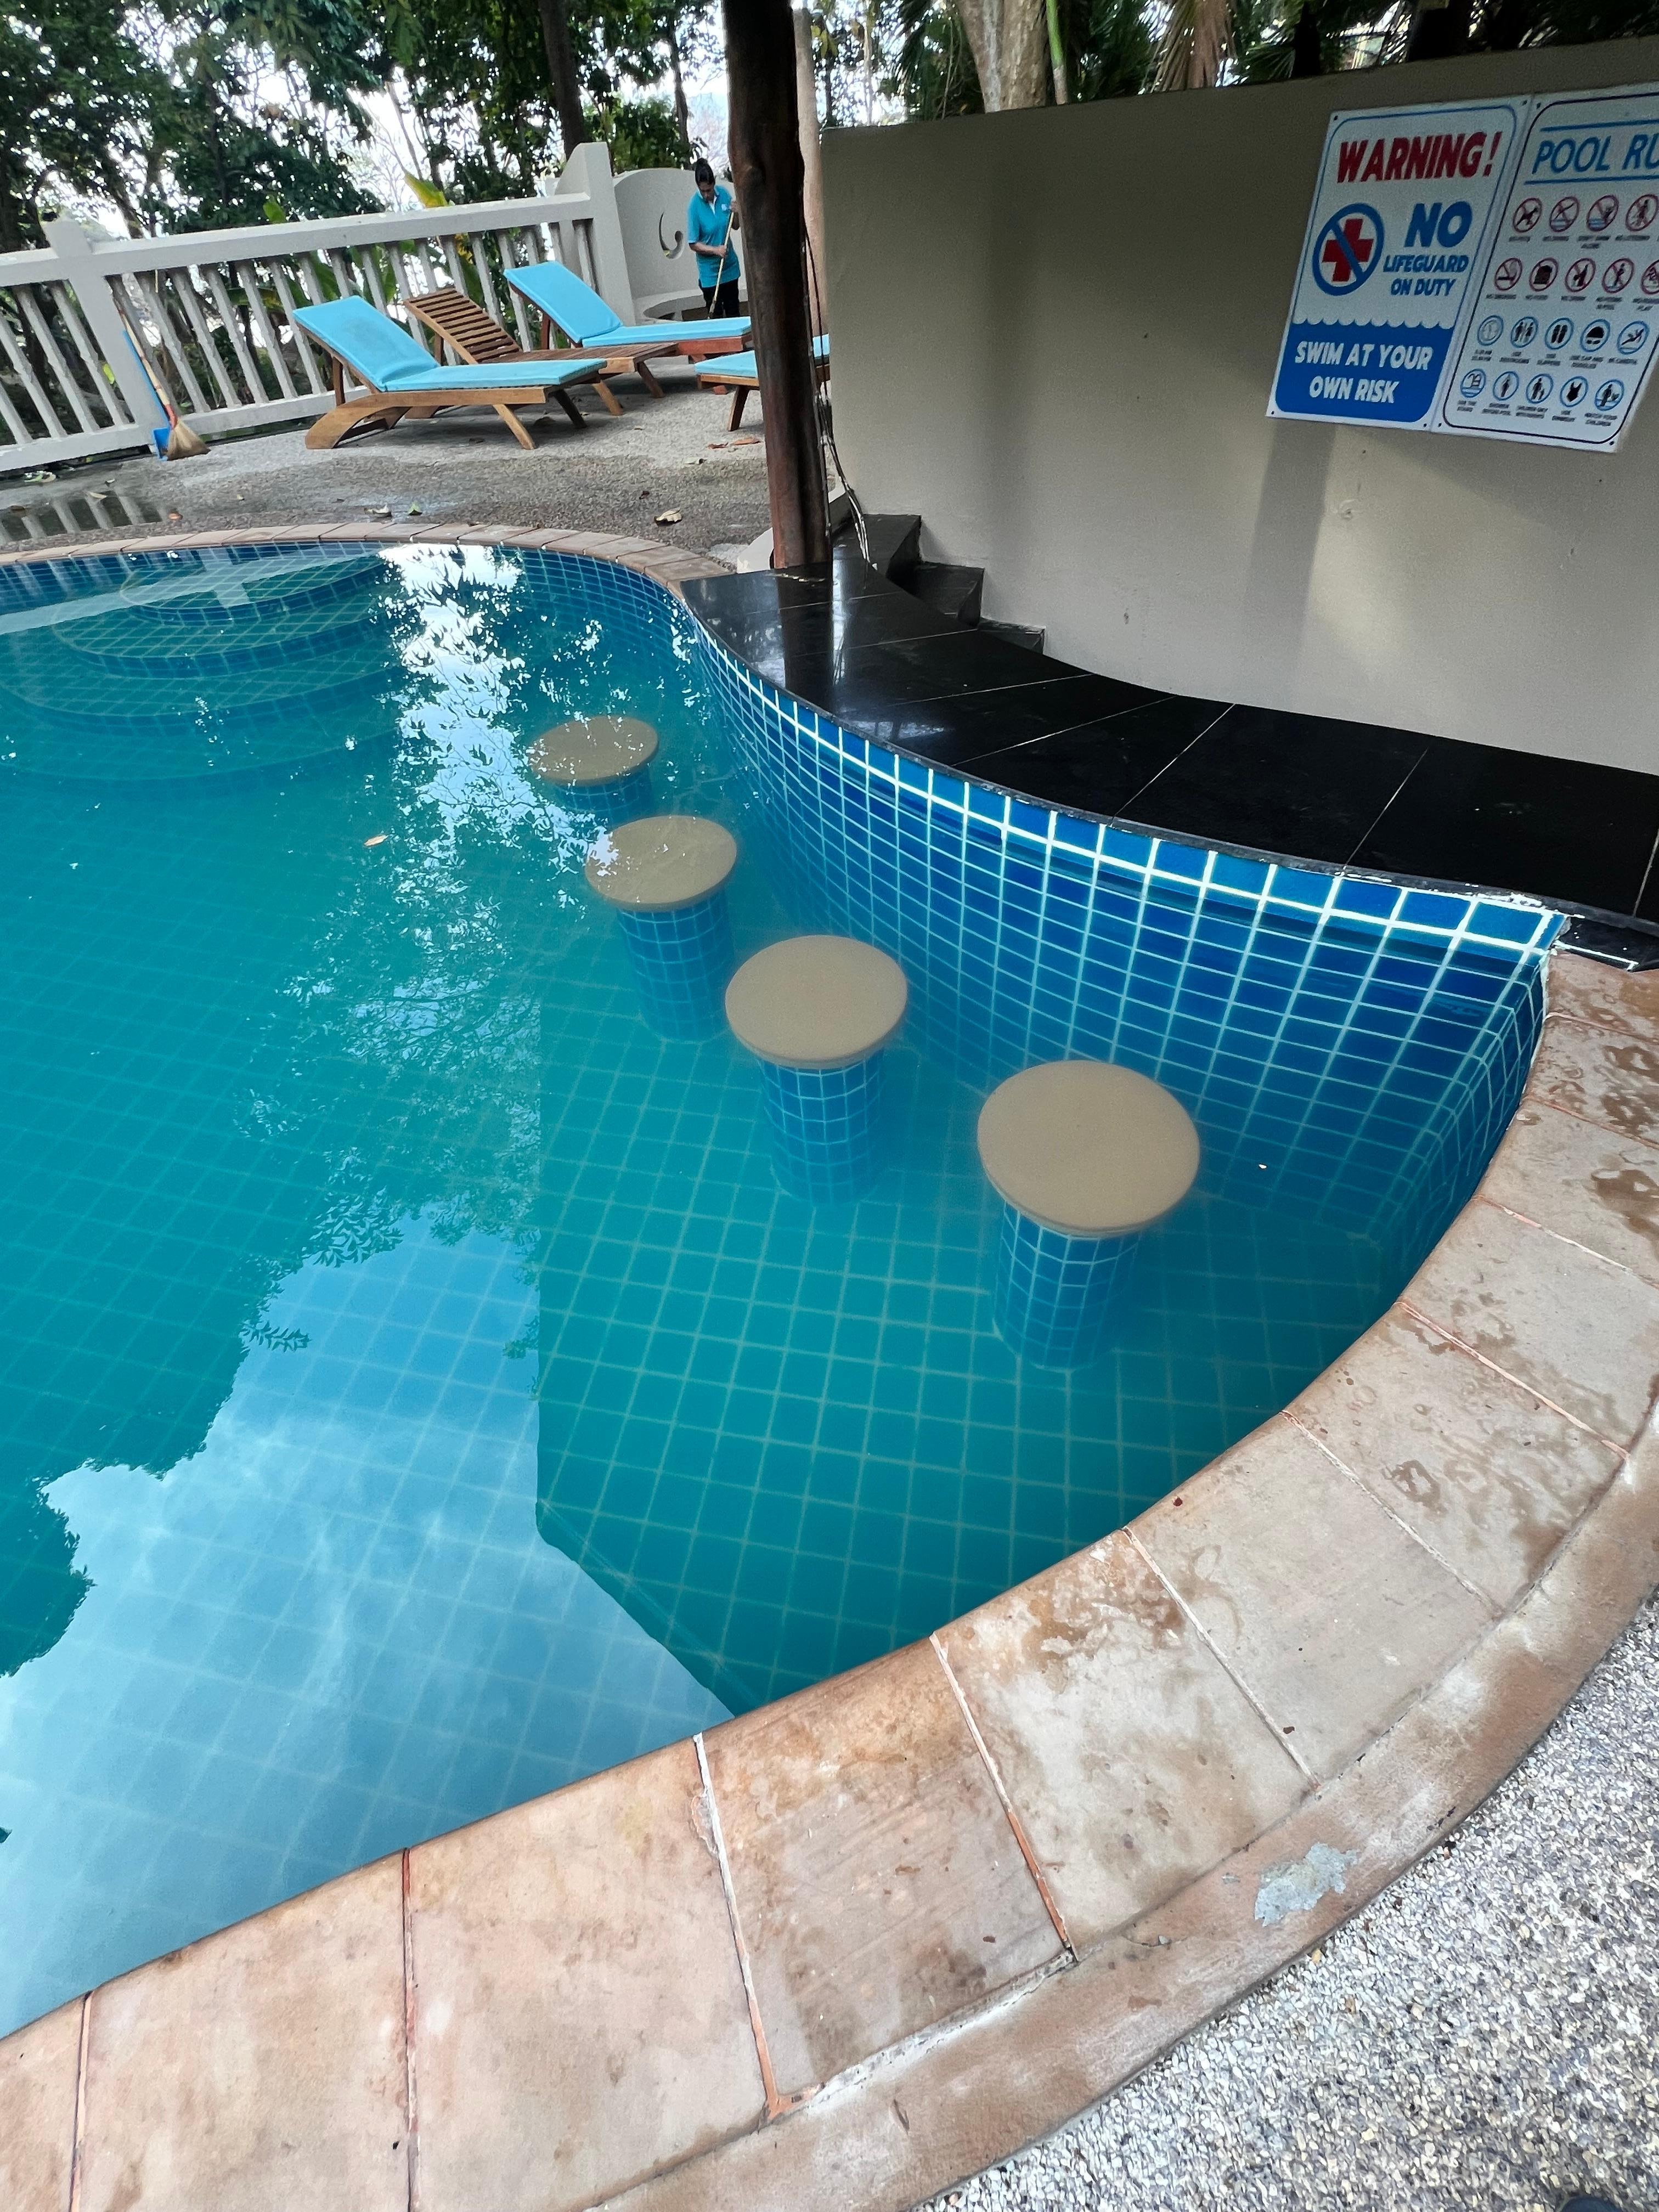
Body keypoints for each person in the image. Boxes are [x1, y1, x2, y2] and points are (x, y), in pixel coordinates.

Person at [686, 159, 741, 319]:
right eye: (702, 191)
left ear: (714, 184)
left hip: (730, 268)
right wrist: (715, 250)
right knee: (716, 317)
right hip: (710, 275)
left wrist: (737, 213)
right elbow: (693, 243)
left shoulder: (724, 194)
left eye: (709, 190)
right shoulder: (694, 206)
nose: (706, 195)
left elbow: (735, 226)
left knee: (734, 314)